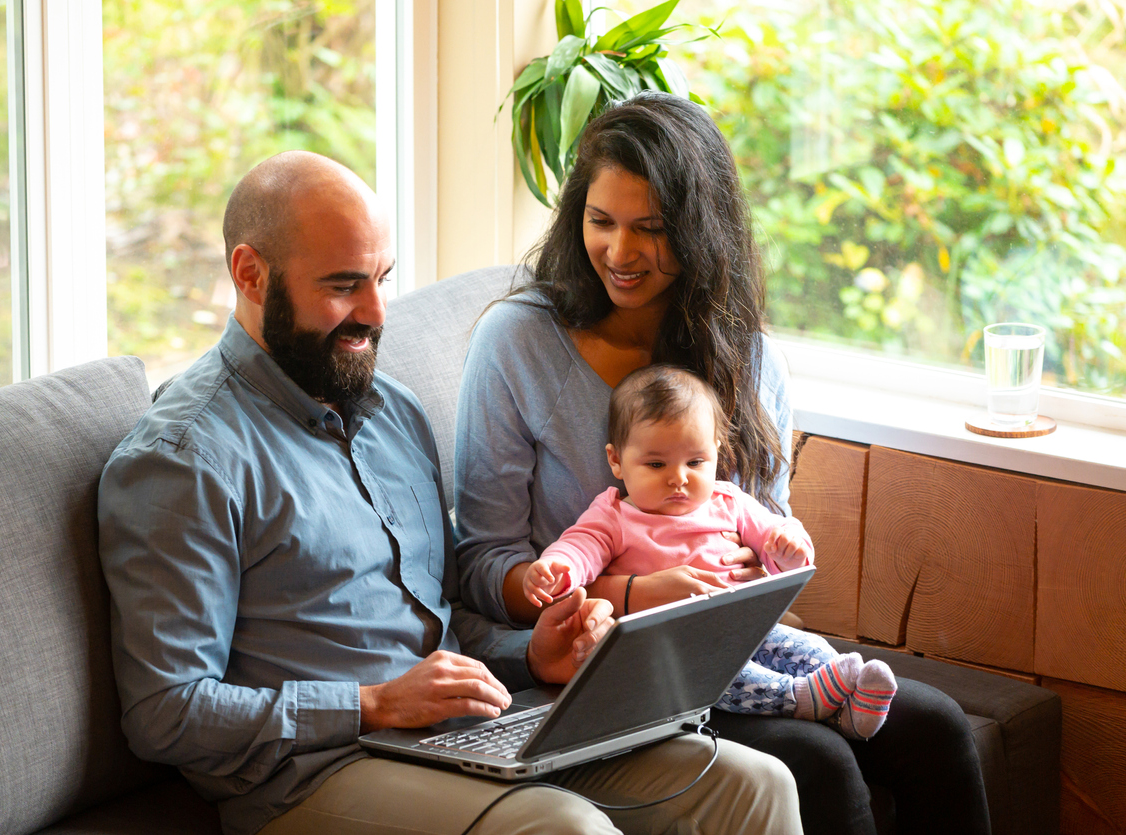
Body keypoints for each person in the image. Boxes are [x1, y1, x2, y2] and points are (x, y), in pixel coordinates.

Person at [97, 150, 802, 835]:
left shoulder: (390, 412)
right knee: (562, 827)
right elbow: (165, 711)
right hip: (309, 776)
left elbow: (436, 619)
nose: (375, 313)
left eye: (382, 278)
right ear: (250, 273)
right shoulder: (184, 460)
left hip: (465, 734)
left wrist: (530, 654)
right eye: (344, 285)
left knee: (750, 784)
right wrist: (370, 703)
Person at [454, 92, 992, 835]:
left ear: (701, 231)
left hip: (733, 641)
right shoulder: (517, 345)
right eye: (600, 221)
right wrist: (623, 590)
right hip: (605, 662)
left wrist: (772, 555)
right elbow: (481, 563)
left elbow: (763, 529)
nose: (618, 252)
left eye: (649, 229)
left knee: (934, 725)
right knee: (819, 762)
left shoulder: (744, 352)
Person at [509, 363, 897, 740]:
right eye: (656, 463)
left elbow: (776, 535)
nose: (679, 478)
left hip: (747, 624)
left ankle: (850, 705)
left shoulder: (728, 501)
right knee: (729, 675)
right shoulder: (614, 515)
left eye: (695, 462)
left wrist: (790, 548)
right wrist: (557, 567)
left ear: (716, 452)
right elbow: (580, 548)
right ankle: (797, 699)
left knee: (811, 649)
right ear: (617, 460)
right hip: (677, 649)